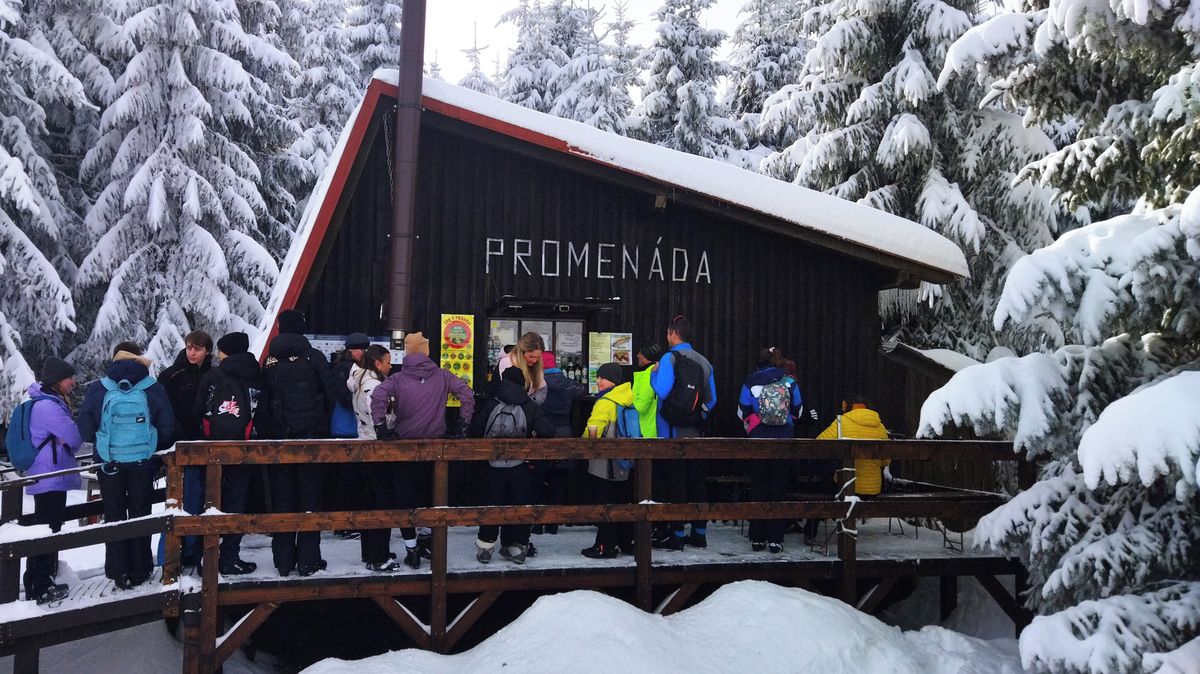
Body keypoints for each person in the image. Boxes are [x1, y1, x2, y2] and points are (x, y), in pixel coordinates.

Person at [370, 332, 475, 565]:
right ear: (427, 352)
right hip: (435, 449)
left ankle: (412, 549)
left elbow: (378, 396)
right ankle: (428, 541)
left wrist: (380, 427)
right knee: (433, 497)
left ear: (407, 352)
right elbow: (467, 394)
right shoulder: (443, 376)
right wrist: (463, 425)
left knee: (405, 499)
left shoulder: (397, 379)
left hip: (405, 449)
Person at [78, 342, 174, 589]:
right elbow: (167, 426)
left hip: (109, 462)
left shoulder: (99, 388)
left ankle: (118, 571)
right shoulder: (152, 387)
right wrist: (152, 445)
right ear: (139, 359)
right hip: (143, 462)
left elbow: (85, 428)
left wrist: (102, 441)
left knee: (114, 515)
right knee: (140, 512)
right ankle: (141, 568)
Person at [263, 310, 330, 577]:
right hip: (312, 440)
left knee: (282, 501)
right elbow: (331, 391)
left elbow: (264, 397)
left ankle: (283, 562)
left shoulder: (270, 361)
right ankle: (309, 560)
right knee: (310, 500)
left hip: (280, 440)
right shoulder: (313, 357)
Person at [194, 331, 265, 575]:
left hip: (213, 447)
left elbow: (198, 408)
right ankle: (230, 557)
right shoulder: (256, 375)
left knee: (211, 502)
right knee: (237, 502)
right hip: (245, 448)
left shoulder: (214, 375)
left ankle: (209, 558)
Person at [470, 366, 553, 565]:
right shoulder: (529, 405)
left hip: (492, 465)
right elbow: (548, 430)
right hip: (519, 466)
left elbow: (474, 431)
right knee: (519, 504)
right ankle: (516, 546)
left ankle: (485, 548)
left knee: (491, 504)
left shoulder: (492, 403)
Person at [350, 344, 420, 571]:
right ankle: (378, 557)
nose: (391, 366)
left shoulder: (361, 380)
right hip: (376, 445)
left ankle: (370, 552)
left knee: (370, 499)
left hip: (365, 442)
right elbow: (377, 414)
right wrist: (395, 421)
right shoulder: (373, 385)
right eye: (388, 362)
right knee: (383, 501)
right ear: (378, 363)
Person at [650, 315, 717, 551]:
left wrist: (653, 374)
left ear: (672, 333)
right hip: (695, 434)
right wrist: (697, 417)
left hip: (670, 431)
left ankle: (676, 535)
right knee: (697, 482)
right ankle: (699, 534)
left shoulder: (669, 358)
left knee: (674, 483)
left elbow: (663, 390)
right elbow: (712, 399)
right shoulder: (704, 362)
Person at [21, 357, 83, 604]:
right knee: (47, 528)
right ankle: (42, 585)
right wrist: (68, 437)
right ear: (58, 381)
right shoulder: (48, 407)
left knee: (46, 527)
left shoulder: (46, 403)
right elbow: (75, 437)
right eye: (69, 378)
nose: (73, 382)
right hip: (50, 475)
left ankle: (37, 582)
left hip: (48, 474)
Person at [738, 347, 804, 553]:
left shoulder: (751, 381)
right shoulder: (789, 382)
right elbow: (799, 410)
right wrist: (786, 421)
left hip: (758, 438)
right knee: (778, 488)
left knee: (758, 487)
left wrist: (754, 422)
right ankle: (776, 538)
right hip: (783, 439)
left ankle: (757, 538)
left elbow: (741, 410)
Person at [158, 330, 213, 567]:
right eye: (190, 347)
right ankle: (170, 556)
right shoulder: (172, 375)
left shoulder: (213, 374)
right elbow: (164, 410)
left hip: (205, 444)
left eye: (197, 348)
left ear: (206, 351)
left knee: (201, 498)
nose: (192, 352)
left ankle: (194, 549)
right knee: (179, 500)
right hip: (180, 444)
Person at [580, 363, 637, 559]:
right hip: (625, 461)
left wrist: (582, 443)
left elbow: (593, 431)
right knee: (623, 502)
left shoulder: (605, 402)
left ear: (611, 380)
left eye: (601, 378)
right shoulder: (629, 398)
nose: (598, 381)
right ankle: (625, 542)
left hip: (605, 462)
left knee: (605, 504)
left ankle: (605, 545)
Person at [534, 351, 586, 533]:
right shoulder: (569, 384)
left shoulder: (537, 383)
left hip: (543, 433)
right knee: (559, 478)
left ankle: (538, 523)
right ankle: (553, 523)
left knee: (539, 478)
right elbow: (583, 391)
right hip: (564, 432)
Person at [328, 333, 371, 541]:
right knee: (345, 480)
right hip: (344, 428)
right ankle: (342, 524)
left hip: (357, 429)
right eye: (359, 349)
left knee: (355, 479)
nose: (362, 353)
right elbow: (343, 398)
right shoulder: (343, 369)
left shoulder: (363, 369)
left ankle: (350, 521)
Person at [817, 394, 891, 496]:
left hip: (845, 485)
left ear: (846, 407)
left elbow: (819, 445)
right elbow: (886, 461)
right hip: (874, 488)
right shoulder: (880, 426)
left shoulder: (841, 422)